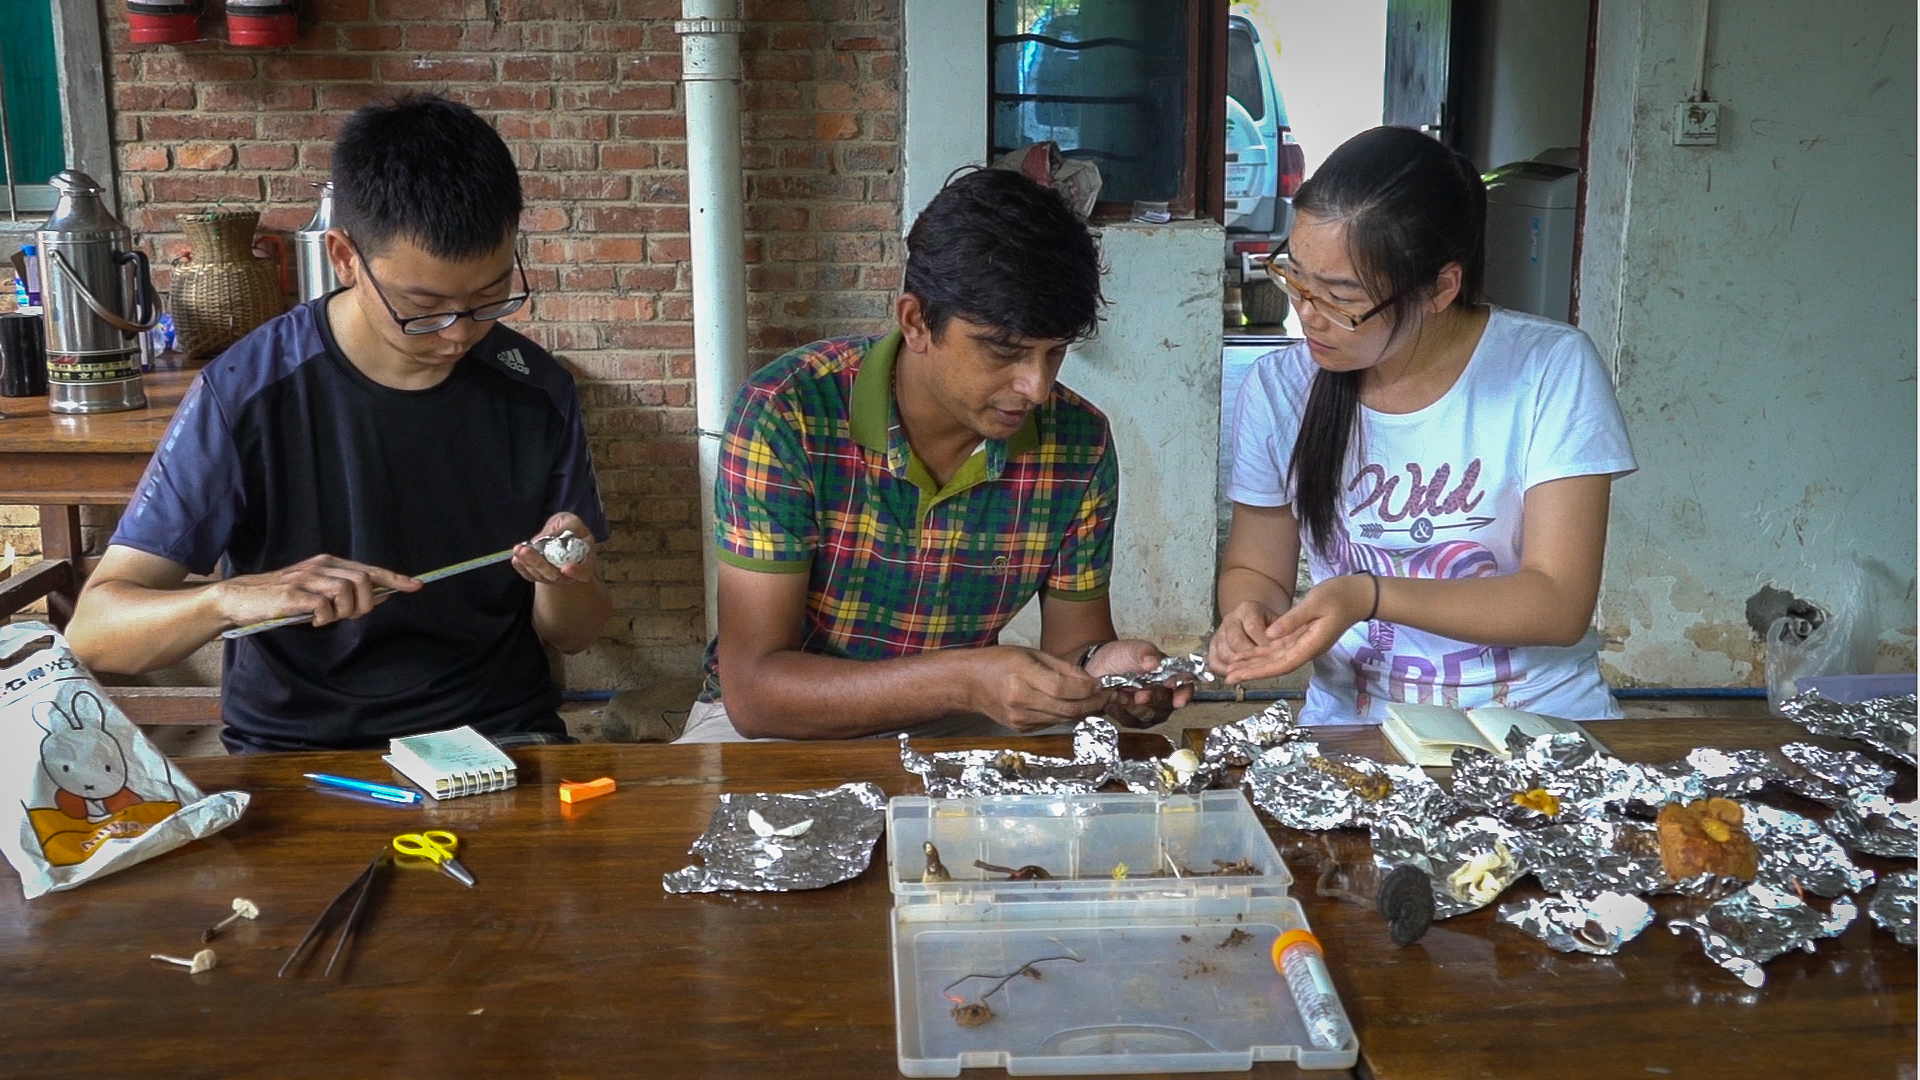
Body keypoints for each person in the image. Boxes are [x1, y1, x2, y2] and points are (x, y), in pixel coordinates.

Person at [64, 95, 611, 752]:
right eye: (423, 305)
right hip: (299, 748)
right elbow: (95, 632)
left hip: (497, 736)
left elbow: (573, 635)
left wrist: (564, 580)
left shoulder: (536, 389)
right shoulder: (249, 390)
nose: (461, 332)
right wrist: (231, 598)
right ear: (345, 257)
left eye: (492, 295)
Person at [681, 167, 1191, 742]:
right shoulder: (788, 413)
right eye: (1004, 349)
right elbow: (754, 693)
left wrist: (1107, 678)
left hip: (963, 721)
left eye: (1056, 353)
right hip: (783, 724)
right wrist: (964, 681)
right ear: (916, 322)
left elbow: (1074, 649)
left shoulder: (1079, 442)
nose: (1036, 387)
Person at [1209, 126, 1635, 723]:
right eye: (1296, 276)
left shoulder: (1548, 369)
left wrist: (1369, 595)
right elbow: (1256, 567)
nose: (1307, 313)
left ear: (1440, 289)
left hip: (1532, 722)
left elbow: (1558, 604)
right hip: (1357, 724)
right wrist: (1246, 616)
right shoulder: (1280, 388)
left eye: (1338, 296)